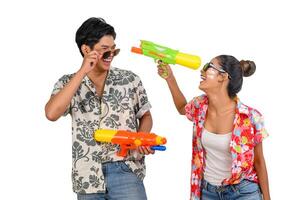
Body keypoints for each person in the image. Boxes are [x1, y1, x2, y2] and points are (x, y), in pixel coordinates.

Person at [45, 17, 153, 200]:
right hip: (87, 176)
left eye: (113, 51)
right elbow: (51, 113)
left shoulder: (130, 79)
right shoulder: (67, 83)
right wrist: (82, 72)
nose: (110, 55)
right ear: (86, 49)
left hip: (126, 168)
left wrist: (141, 138)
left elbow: (146, 115)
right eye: (105, 51)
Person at [157, 55, 270, 200]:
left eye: (208, 66)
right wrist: (169, 77)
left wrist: (267, 198)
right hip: (208, 192)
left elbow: (259, 161)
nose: (202, 71)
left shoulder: (251, 117)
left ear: (223, 77)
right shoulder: (199, 106)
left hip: (243, 192)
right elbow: (181, 108)